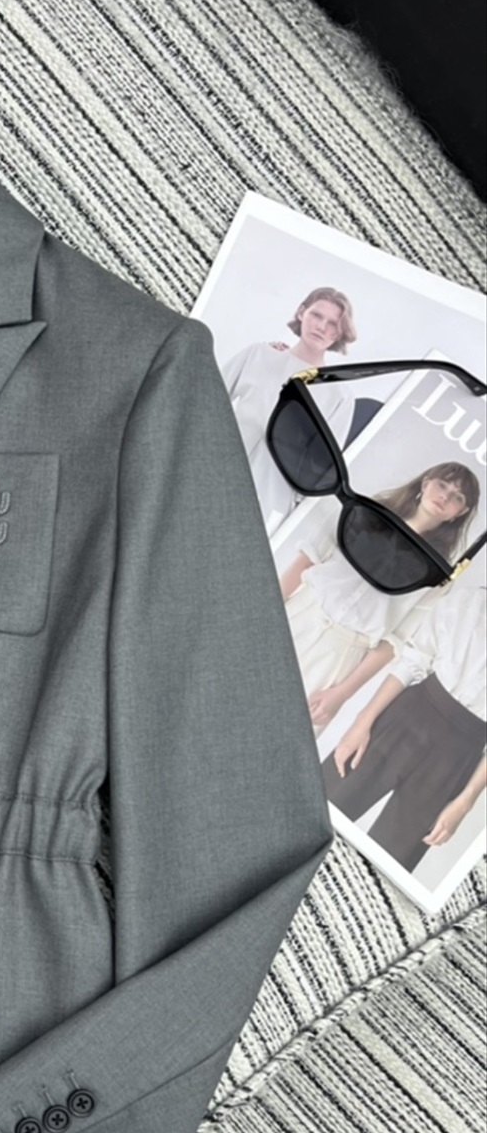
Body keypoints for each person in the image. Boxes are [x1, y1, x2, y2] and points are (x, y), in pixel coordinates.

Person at [278, 462, 480, 732]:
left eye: (458, 497)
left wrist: (342, 694)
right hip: (298, 616)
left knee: (284, 733)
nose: (445, 496)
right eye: (442, 485)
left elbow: (393, 641)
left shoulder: (437, 575)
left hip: (340, 656)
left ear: (461, 512)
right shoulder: (364, 512)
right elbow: (307, 559)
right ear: (425, 483)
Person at [322, 571, 486, 872]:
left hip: (457, 757)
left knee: (388, 865)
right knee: (318, 809)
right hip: (407, 717)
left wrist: (466, 801)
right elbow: (414, 660)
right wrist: (362, 721)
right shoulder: (470, 601)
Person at [222, 286, 357, 533]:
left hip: (269, 498)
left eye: (333, 323)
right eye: (316, 315)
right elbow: (207, 399)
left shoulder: (339, 396)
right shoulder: (259, 354)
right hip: (218, 468)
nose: (321, 327)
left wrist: (290, 507)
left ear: (340, 332)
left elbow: (323, 469)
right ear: (301, 312)